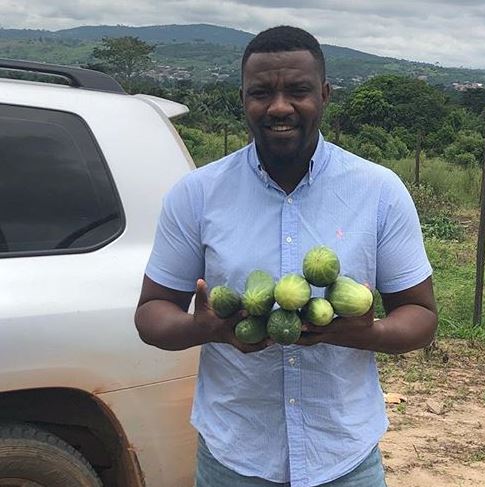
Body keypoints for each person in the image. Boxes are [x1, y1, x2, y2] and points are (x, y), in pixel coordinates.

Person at [135, 25, 437, 487]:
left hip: (344, 458)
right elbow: (151, 315)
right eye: (261, 92)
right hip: (234, 458)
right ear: (243, 98)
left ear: (325, 94)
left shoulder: (379, 191)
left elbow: (420, 315)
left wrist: (363, 333)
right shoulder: (196, 194)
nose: (279, 107)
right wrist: (203, 328)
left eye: (298, 91)